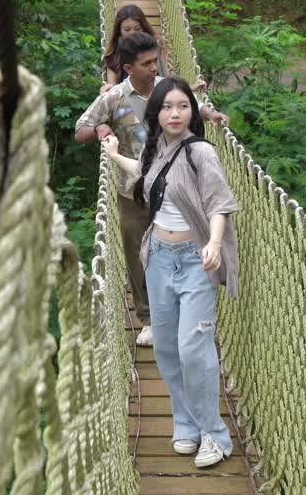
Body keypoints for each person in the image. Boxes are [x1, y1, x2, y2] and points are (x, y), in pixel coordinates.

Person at [100, 77, 239, 469]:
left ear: (192, 112)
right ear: (156, 114)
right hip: (158, 257)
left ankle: (215, 434)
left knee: (194, 347)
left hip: (196, 258)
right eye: (166, 107)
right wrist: (113, 155)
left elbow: (220, 204)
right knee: (165, 346)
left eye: (182, 106)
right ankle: (187, 423)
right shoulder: (157, 147)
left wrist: (213, 243)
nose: (174, 114)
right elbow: (146, 174)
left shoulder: (201, 153)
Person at [75, 31, 228, 347]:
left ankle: (183, 312)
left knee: (182, 248)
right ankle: (148, 319)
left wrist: (211, 114)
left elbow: (191, 107)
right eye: (146, 64)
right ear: (129, 67)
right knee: (137, 254)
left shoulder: (166, 89)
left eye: (155, 60)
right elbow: (80, 130)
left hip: (175, 187)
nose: (154, 68)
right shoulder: (114, 98)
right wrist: (102, 128)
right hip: (132, 190)